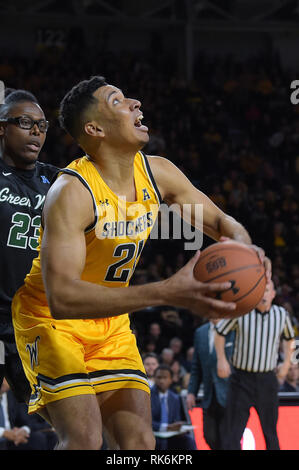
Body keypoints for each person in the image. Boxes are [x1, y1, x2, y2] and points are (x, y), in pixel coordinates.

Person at [11, 75, 270, 450]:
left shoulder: (158, 171)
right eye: (117, 100)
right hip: (50, 319)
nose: (135, 103)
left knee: (139, 445)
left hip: (110, 321)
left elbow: (218, 222)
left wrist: (247, 248)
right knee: (83, 439)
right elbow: (63, 298)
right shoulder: (71, 192)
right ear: (94, 128)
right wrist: (166, 291)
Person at [0, 89, 58, 405]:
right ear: (2, 128)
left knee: (59, 418)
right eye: (25, 122)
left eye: (42, 125)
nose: (36, 131)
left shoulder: (58, 181)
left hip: (32, 318)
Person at [215, 280, 295, 450]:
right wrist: (221, 358)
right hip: (241, 380)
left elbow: (289, 340)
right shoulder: (241, 311)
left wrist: (287, 363)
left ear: (273, 294)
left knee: (270, 433)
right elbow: (220, 332)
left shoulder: (281, 314)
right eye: (260, 291)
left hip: (267, 379)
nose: (264, 294)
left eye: (267, 291)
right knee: (232, 434)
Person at [186, 319, 235, 450]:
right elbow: (196, 366)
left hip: (231, 394)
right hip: (209, 394)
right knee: (209, 436)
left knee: (229, 440)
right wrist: (191, 392)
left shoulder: (234, 328)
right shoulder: (200, 332)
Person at [0, 379, 58, 450]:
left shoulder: (11, 395)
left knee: (50, 438)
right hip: (5, 437)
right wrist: (4, 433)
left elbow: (22, 419)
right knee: (39, 439)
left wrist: (23, 430)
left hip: (12, 438)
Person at [151, 365, 197, 450]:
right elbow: (146, 422)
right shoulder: (147, 395)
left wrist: (179, 427)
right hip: (153, 435)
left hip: (171, 435)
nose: (161, 381)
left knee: (189, 441)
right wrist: (166, 427)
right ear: (154, 379)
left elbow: (176, 419)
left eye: (165, 378)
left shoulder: (175, 398)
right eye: (159, 377)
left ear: (171, 380)